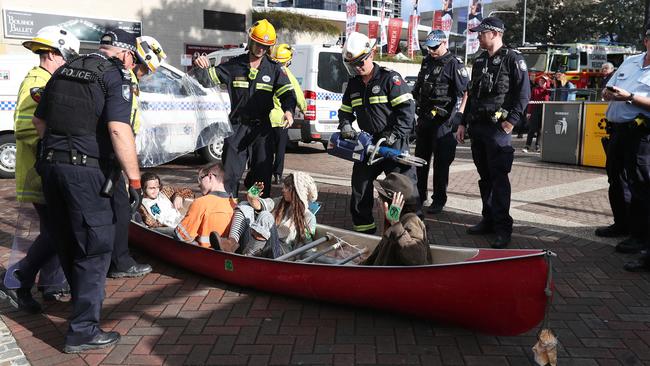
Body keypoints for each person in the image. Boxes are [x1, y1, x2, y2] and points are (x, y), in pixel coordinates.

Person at [30, 28, 143, 353]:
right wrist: (134, 181)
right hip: (86, 174)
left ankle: (81, 315)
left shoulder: (64, 70)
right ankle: (82, 331)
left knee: (67, 240)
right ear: (124, 54)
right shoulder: (113, 76)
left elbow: (40, 123)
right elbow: (119, 130)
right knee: (94, 248)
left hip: (52, 168)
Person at [0, 26, 80, 314]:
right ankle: (16, 278)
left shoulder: (48, 79)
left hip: (45, 170)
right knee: (59, 232)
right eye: (65, 57)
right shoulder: (38, 82)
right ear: (53, 53)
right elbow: (25, 127)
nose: (67, 64)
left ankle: (50, 284)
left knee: (54, 231)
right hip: (40, 173)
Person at [192, 19, 297, 198]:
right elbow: (207, 80)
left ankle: (254, 210)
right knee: (230, 176)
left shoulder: (274, 69)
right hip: (236, 129)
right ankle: (229, 210)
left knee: (261, 178)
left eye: (266, 46)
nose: (261, 49)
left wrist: (288, 111)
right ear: (250, 41)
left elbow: (288, 94)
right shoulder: (234, 65)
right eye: (258, 44)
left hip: (262, 132)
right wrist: (199, 64)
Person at [455, 17, 531, 249]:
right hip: (478, 128)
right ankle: (488, 219)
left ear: (495, 33)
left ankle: (502, 228)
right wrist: (463, 123)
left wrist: (511, 122)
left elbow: (523, 93)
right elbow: (472, 95)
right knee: (485, 178)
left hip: (498, 130)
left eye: (481, 33)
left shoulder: (512, 59)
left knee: (499, 180)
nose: (477, 36)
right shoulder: (479, 61)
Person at [337, 32, 418, 235]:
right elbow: (345, 111)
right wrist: (345, 125)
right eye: (352, 63)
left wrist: (394, 134)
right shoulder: (354, 84)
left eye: (360, 61)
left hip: (394, 142)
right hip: (368, 144)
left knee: (403, 190)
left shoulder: (390, 78)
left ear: (371, 54)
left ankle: (410, 231)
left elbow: (407, 111)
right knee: (360, 187)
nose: (357, 67)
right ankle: (365, 232)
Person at [109, 35, 166, 279]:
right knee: (121, 208)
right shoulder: (126, 82)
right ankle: (120, 262)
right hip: (112, 157)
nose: (144, 75)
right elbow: (121, 128)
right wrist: (131, 174)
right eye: (144, 69)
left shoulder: (128, 80)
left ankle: (114, 258)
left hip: (112, 156)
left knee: (115, 209)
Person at [599, 25, 650, 272]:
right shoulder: (631, 61)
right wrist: (608, 93)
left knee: (640, 185)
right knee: (615, 178)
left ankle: (640, 236)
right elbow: (609, 87)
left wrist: (630, 97)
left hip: (640, 132)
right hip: (617, 129)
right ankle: (622, 224)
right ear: (646, 40)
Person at [412, 29, 469, 214]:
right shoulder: (427, 61)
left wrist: (460, 115)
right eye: (428, 48)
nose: (431, 51)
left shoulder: (454, 64)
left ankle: (439, 200)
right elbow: (418, 87)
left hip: (444, 123)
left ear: (445, 43)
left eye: (435, 47)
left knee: (441, 164)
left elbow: (466, 92)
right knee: (420, 160)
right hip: (425, 119)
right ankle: (419, 196)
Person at [216, 172, 318, 257]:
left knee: (266, 215)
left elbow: (307, 246)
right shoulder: (280, 202)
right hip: (258, 247)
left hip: (280, 254)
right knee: (245, 205)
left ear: (297, 192)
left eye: (287, 187)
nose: (283, 189)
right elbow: (258, 205)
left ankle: (248, 257)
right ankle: (231, 243)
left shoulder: (309, 217)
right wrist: (252, 196)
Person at [362, 173, 433, 266]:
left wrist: (395, 223)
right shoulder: (393, 223)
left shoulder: (411, 220)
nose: (378, 202)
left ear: (389, 204)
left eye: (380, 199)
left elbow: (417, 259)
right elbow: (379, 254)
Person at [175, 163, 237, 248]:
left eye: (201, 178)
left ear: (210, 176)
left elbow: (181, 236)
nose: (199, 184)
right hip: (225, 254)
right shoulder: (234, 204)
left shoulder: (201, 203)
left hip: (202, 254)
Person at [269, 44, 306, 184]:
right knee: (279, 150)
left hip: (266, 118)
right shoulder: (287, 74)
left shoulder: (267, 71)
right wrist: (304, 108)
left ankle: (262, 173)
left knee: (264, 150)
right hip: (282, 119)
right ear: (288, 61)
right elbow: (297, 94)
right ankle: (277, 175)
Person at [523, 75, 551, 153]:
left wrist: (547, 82)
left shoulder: (548, 90)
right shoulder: (535, 90)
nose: (541, 82)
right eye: (540, 81)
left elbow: (550, 86)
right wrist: (529, 112)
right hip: (535, 110)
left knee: (540, 130)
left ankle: (537, 146)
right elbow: (531, 100)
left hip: (544, 110)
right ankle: (527, 146)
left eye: (543, 81)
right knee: (532, 129)